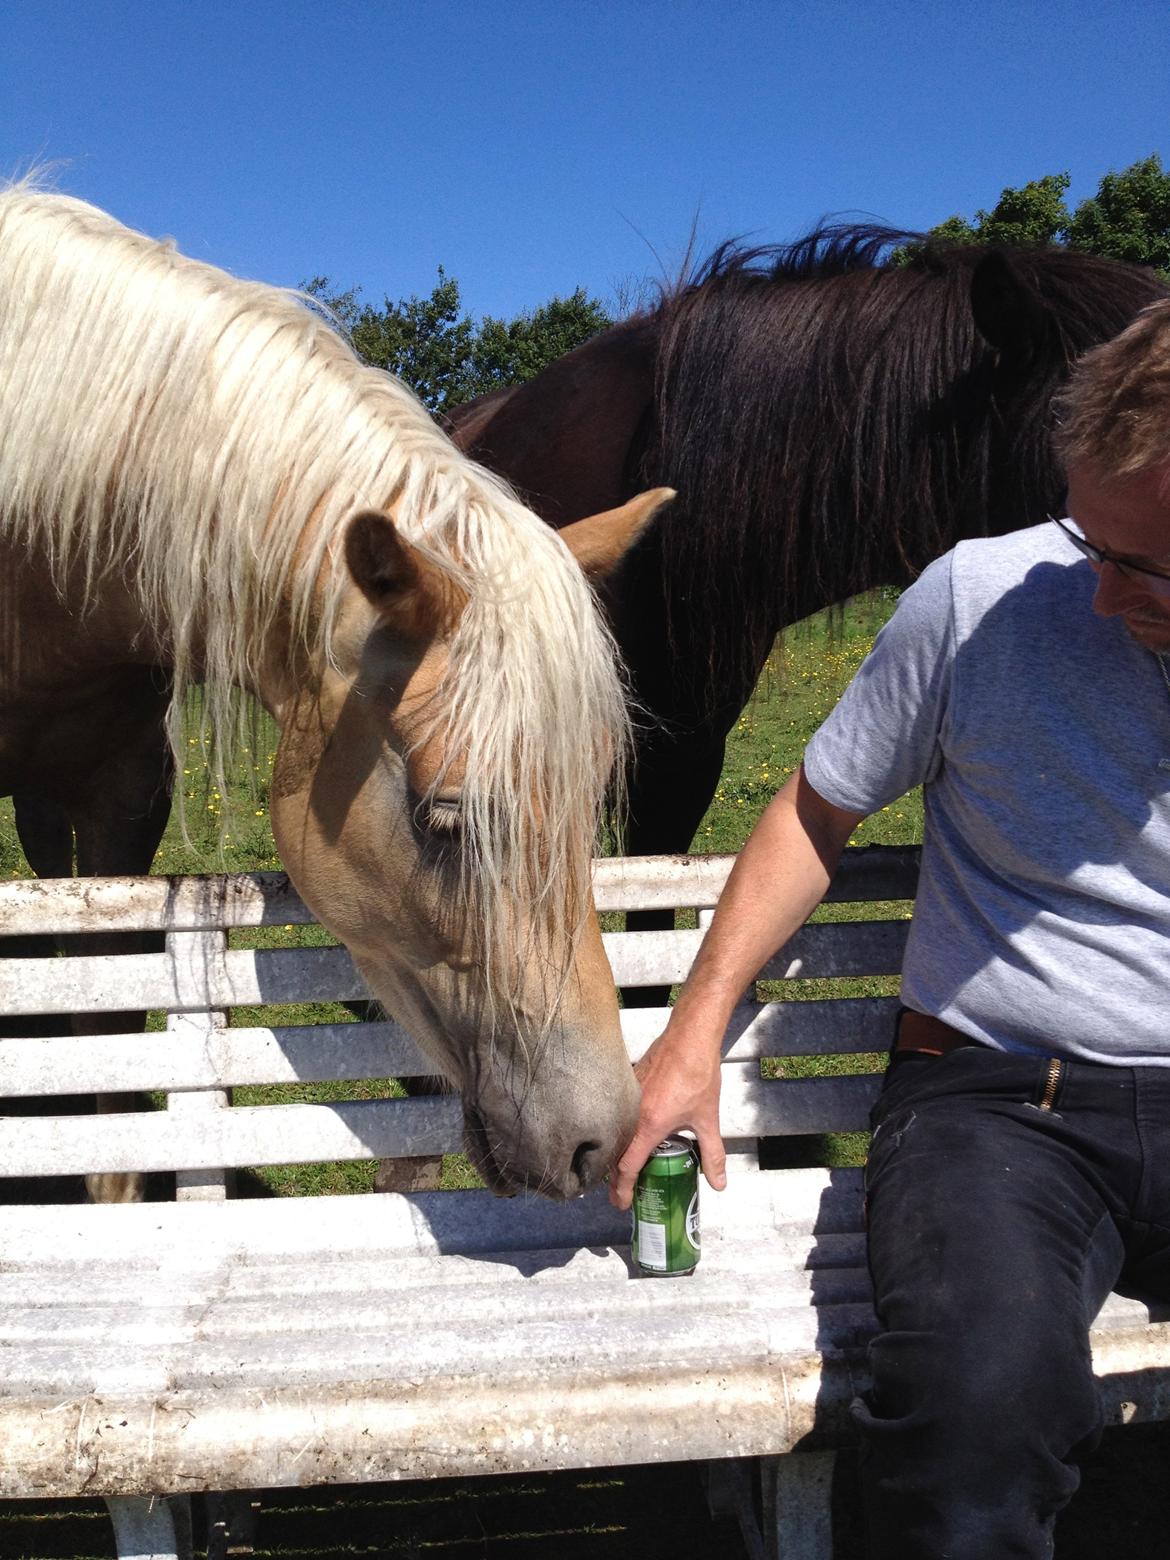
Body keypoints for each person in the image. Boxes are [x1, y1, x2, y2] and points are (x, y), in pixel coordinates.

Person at [608, 297, 1170, 1559]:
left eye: (1142, 567)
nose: (1096, 594)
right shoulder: (979, 599)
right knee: (973, 1423)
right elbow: (814, 812)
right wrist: (693, 1032)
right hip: (1004, 1109)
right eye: (1091, 541)